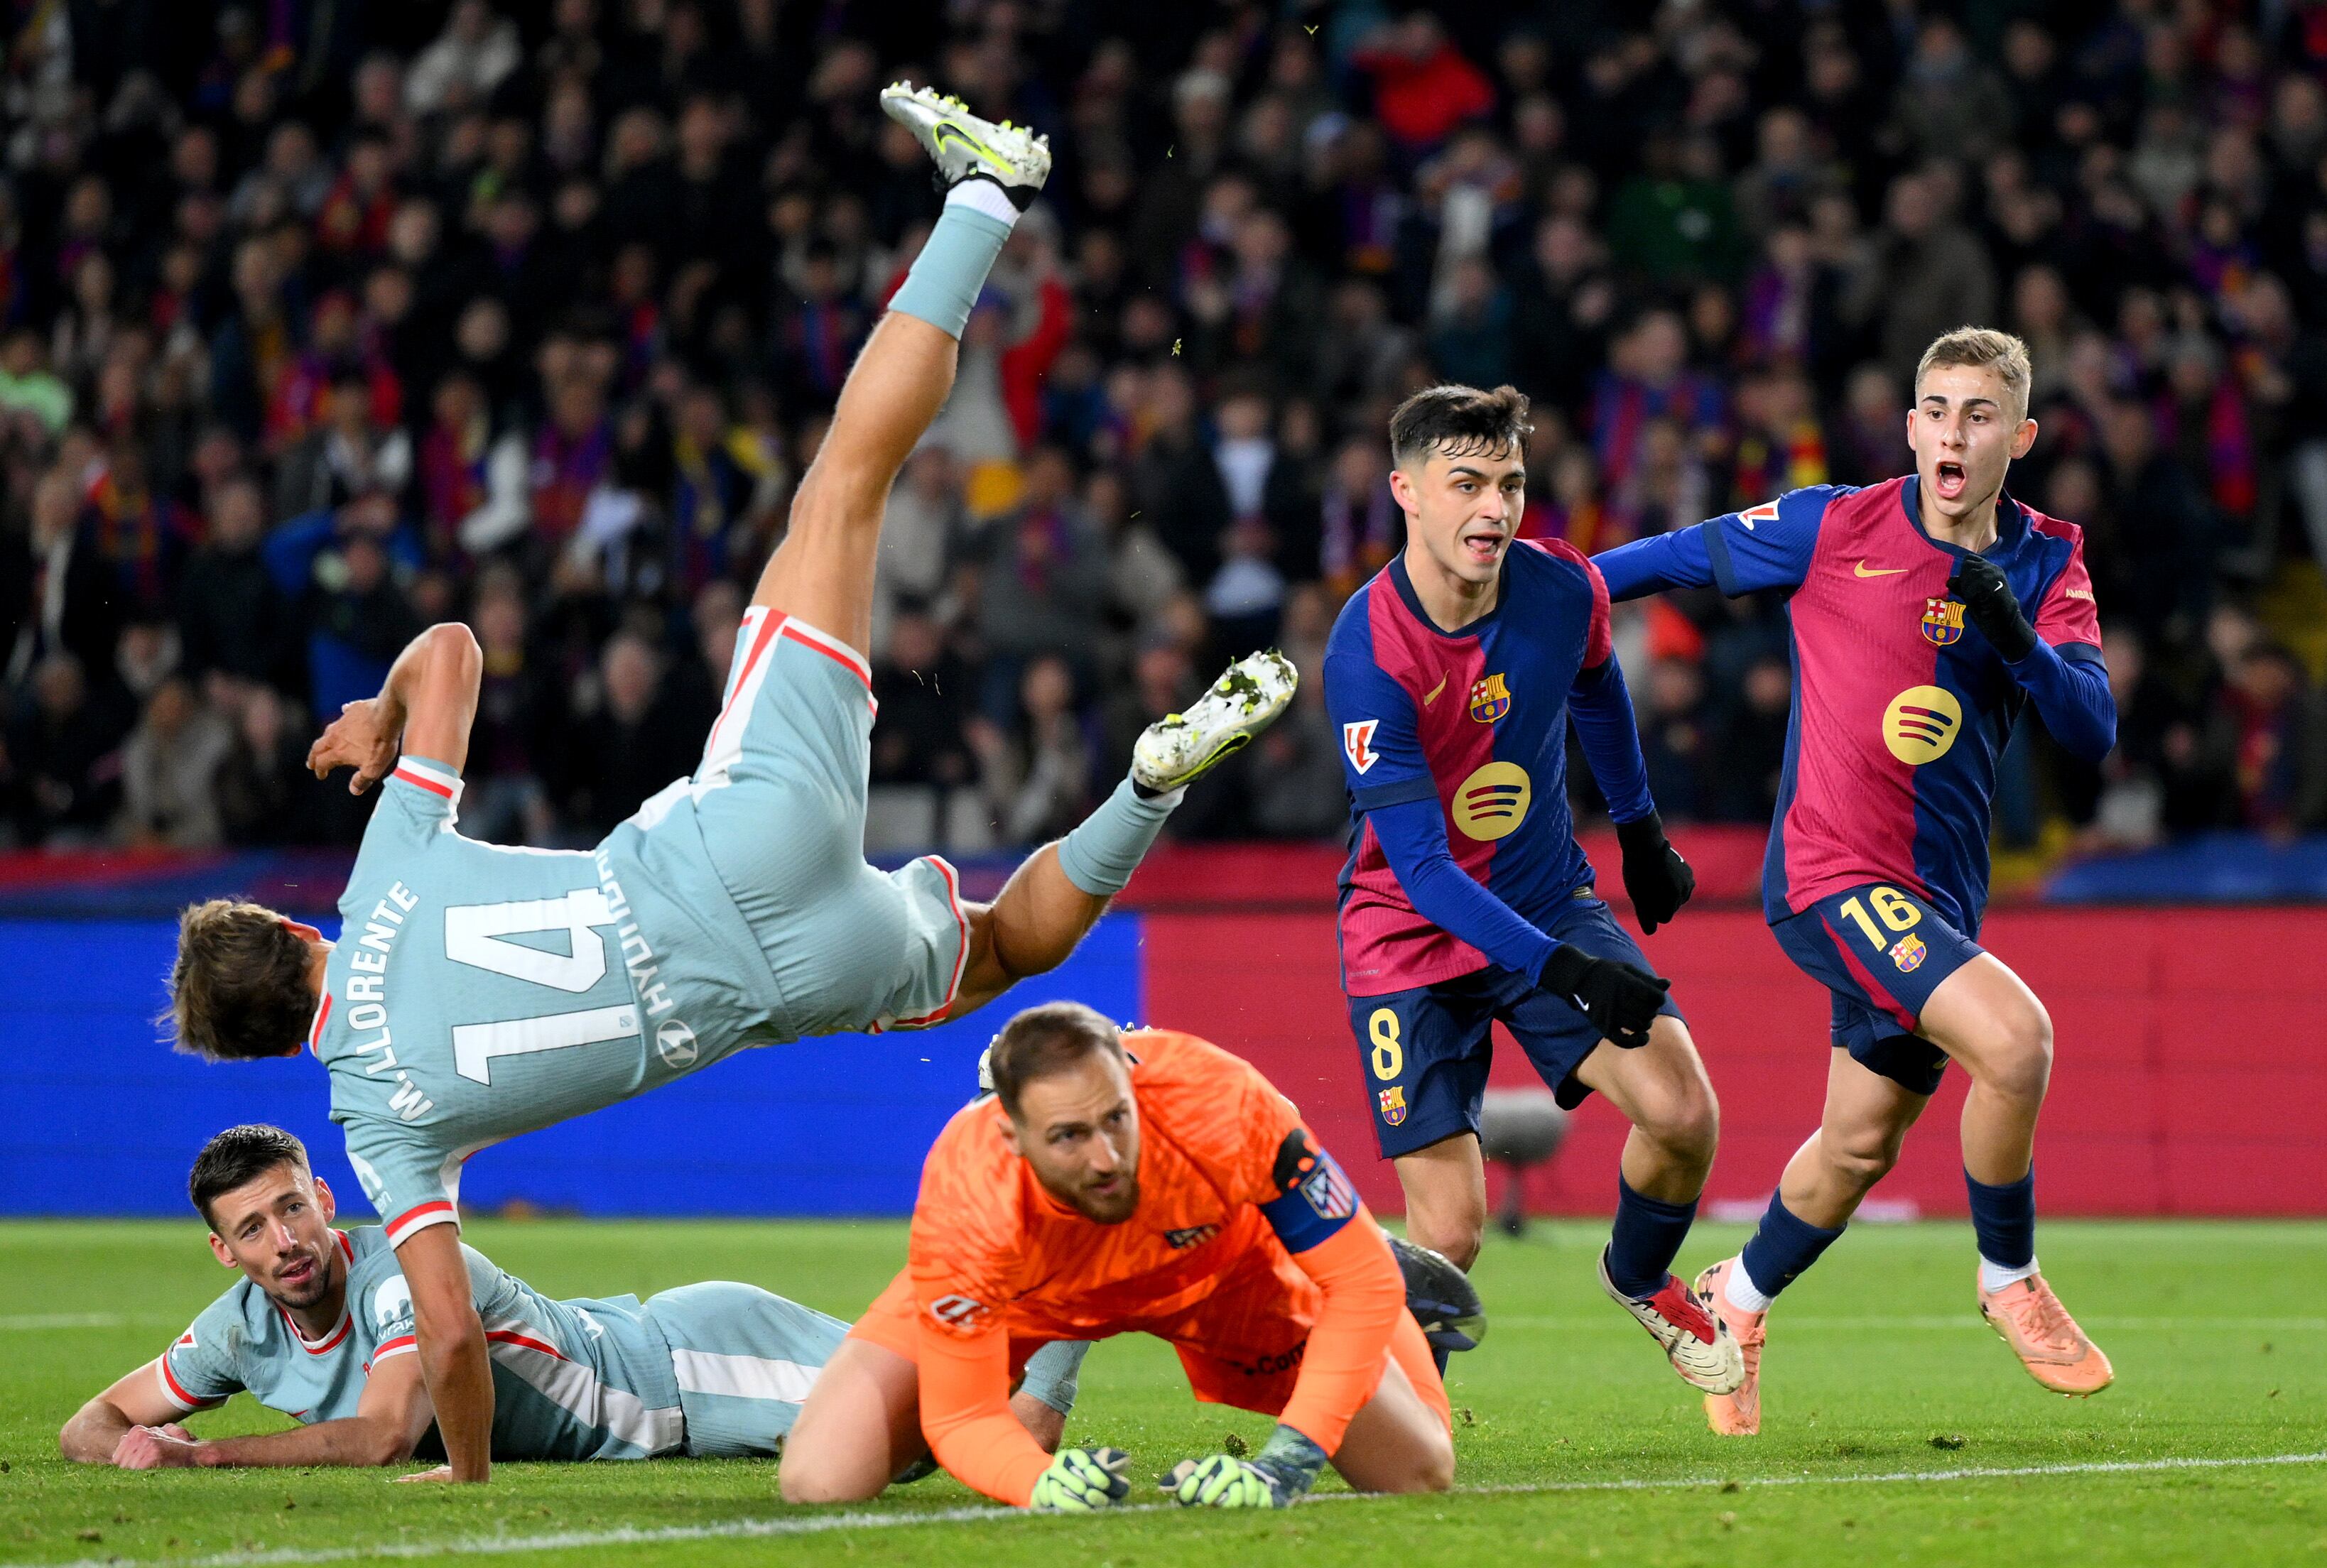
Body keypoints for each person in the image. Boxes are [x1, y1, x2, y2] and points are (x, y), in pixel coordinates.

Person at [156, 86, 1295, 1486]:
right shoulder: (381, 865)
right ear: (294, 933)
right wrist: (376, 719)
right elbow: (452, 648)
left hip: (778, 986)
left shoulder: (376, 1122)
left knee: (998, 952)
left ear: (277, 1045)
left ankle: (1145, 787)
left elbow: (446, 1335)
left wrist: (464, 1477)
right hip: (728, 841)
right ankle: (985, 198)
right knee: (842, 490)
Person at [1594, 327, 2120, 1436]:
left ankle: (1735, 1301)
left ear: (2017, 438)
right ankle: (2008, 1277)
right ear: (1913, 425)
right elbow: (1667, 560)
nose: (1952, 432)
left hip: (1935, 900)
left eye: (1980, 414)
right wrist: (1533, 605)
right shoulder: (1832, 523)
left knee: (1856, 1149)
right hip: (1832, 875)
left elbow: (2090, 729)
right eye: (1936, 409)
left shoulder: (2047, 559)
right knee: (2017, 1043)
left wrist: (2016, 639)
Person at [1319, 383, 1740, 1400]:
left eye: (1509, 483)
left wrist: (1638, 832)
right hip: (1409, 939)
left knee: (1685, 1115)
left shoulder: (1561, 587)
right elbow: (1420, 870)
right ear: (1406, 494)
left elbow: (1597, 684)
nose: (1494, 509)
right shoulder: (1367, 651)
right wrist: (1572, 974)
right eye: (1466, 484)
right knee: (1453, 1234)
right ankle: (1384, 1407)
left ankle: (1637, 1278)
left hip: (1548, 897)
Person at [60, 1126, 1083, 1471]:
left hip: (680, 1367)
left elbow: (381, 1433)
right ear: (222, 1251)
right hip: (671, 1387)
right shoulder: (237, 1330)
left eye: (292, 1210)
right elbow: (88, 1425)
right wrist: (133, 1444)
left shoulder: (394, 1273)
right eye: (253, 1229)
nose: (282, 1242)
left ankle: (1063, 1260)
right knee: (917, 1433)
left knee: (953, 1435)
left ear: (326, 1201)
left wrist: (199, 1457)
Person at [779, 1003, 1470, 1510]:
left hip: (1230, 1277)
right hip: (1038, 1297)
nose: (1106, 1157)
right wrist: (1035, 1482)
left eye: (1117, 1118)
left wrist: (1284, 1466)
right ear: (1012, 1137)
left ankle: (1323, 1242)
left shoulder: (1219, 1102)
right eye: (1070, 1136)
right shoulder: (967, 1192)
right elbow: (962, 1417)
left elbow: (1362, 1283)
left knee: (1418, 1468)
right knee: (819, 1479)